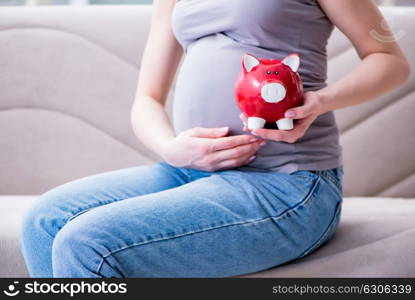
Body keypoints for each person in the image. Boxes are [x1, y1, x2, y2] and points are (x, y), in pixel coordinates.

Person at [20, 0, 410, 278]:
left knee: (86, 241)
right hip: (190, 173)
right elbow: (146, 100)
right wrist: (172, 149)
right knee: (44, 220)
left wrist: (319, 102)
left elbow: (390, 60)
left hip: (287, 183)